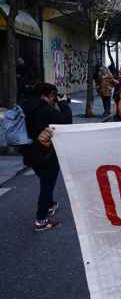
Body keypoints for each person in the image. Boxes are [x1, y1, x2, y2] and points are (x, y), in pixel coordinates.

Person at [21, 83, 72, 231]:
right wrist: (63, 104)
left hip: (29, 152)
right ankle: (41, 220)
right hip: (46, 153)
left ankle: (49, 205)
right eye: (54, 97)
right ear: (48, 94)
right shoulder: (44, 109)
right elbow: (66, 122)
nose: (54, 100)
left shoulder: (26, 105)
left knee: (44, 179)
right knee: (47, 186)